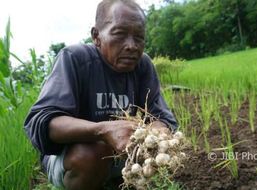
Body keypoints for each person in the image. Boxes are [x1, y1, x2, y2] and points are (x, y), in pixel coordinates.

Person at [24, 0, 178, 189]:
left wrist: (156, 132)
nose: (132, 46)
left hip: (121, 155)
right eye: (119, 34)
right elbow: (42, 122)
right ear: (96, 36)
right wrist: (103, 130)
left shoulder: (142, 65)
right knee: (92, 153)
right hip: (73, 159)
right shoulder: (74, 58)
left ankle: (119, 181)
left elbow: (161, 116)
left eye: (139, 37)